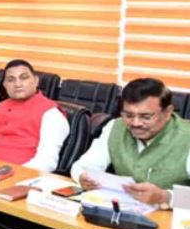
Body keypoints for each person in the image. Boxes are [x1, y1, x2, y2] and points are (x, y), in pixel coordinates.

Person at [71, 78, 190, 207]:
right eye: (128, 115)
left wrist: (165, 197)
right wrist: (83, 177)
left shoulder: (186, 137)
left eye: (146, 117)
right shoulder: (115, 127)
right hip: (124, 211)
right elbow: (82, 166)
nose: (136, 123)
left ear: (167, 112)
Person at [0, 59, 70, 172]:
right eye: (11, 80)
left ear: (35, 81)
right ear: (5, 85)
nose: (18, 84)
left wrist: (10, 175)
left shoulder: (51, 114)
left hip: (22, 177)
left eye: (24, 78)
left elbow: (46, 161)